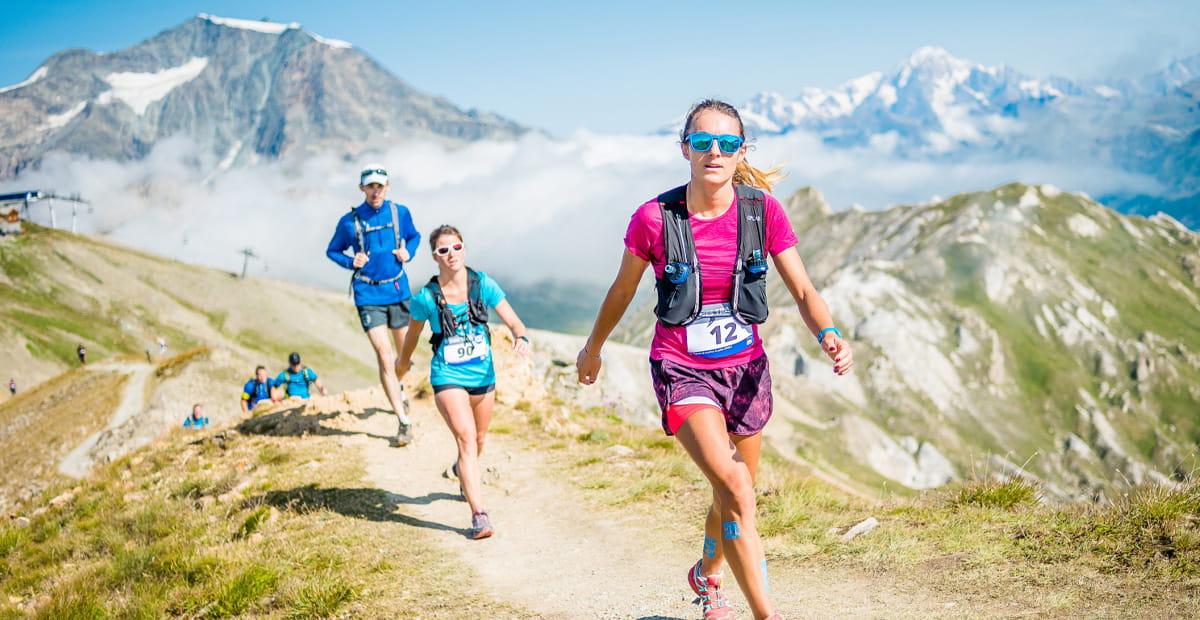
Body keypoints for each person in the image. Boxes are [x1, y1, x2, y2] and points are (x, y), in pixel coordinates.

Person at [575, 100, 854, 620]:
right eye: (702, 142)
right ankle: (766, 613)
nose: (714, 152)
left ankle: (708, 574)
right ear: (684, 147)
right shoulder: (654, 218)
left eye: (727, 144)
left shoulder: (762, 211)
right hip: (681, 370)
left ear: (741, 151)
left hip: (746, 373)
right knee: (735, 487)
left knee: (732, 490)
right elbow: (622, 289)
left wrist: (829, 332)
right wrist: (593, 349)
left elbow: (803, 287)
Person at [397, 225, 531, 539]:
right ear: (434, 256)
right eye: (443, 250)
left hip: (483, 376)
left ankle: (462, 473)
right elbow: (412, 338)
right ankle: (479, 515)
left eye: (456, 247)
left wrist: (520, 336)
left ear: (463, 249)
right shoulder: (425, 299)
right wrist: (402, 364)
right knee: (467, 440)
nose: (451, 254)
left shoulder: (483, 285)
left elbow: (513, 320)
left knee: (480, 439)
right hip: (448, 376)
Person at [326, 164, 421, 446]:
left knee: (405, 358)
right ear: (362, 189)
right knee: (383, 355)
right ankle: (403, 421)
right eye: (370, 186)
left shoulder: (399, 213)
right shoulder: (349, 221)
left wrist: (408, 252)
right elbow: (332, 249)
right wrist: (349, 261)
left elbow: (414, 236)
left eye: (380, 185)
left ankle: (398, 383)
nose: (375, 190)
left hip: (397, 288)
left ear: (388, 186)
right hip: (367, 294)